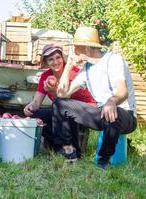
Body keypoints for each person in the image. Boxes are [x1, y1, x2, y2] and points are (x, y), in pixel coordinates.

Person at [54, 26, 137, 168]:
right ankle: (69, 151)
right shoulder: (86, 69)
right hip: (102, 114)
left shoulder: (113, 59)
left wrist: (111, 101)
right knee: (60, 104)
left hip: (125, 116)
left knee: (112, 113)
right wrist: (68, 66)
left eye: (76, 47)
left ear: (86, 48)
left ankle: (102, 163)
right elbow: (63, 94)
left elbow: (123, 92)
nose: (74, 51)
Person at [23, 44, 96, 158]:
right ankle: (61, 148)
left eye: (58, 57)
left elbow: (64, 100)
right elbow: (37, 102)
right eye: (51, 59)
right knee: (36, 115)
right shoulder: (45, 76)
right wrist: (29, 107)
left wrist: (52, 92)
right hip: (63, 109)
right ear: (46, 62)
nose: (55, 61)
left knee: (64, 112)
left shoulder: (73, 73)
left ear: (63, 58)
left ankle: (73, 150)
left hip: (86, 109)